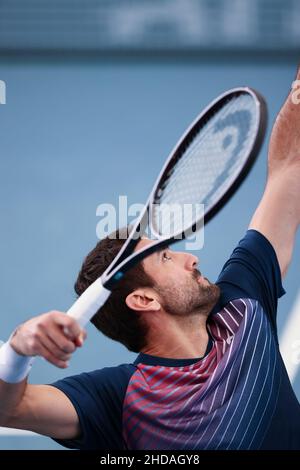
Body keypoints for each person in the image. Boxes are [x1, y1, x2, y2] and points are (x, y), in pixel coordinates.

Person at [1, 71, 300, 451]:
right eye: (167, 256)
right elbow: (11, 408)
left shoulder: (241, 306)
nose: (191, 258)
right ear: (144, 299)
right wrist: (18, 347)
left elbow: (290, 169)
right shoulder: (120, 398)